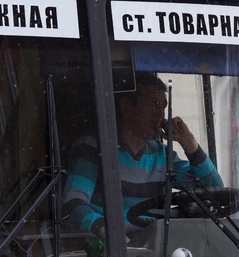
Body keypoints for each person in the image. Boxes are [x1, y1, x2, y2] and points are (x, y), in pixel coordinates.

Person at [63, 72, 223, 239]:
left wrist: (188, 142)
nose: (160, 114)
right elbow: (74, 203)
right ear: (126, 107)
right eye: (153, 105)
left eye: (163, 107)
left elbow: (214, 190)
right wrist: (111, 235)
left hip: (156, 250)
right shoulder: (94, 147)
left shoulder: (161, 153)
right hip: (109, 251)